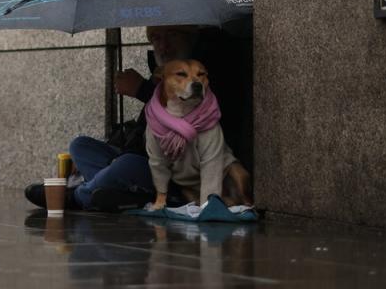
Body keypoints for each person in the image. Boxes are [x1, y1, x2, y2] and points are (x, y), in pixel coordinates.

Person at [25, 24, 251, 212]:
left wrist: (142, 89)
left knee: (127, 165)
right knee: (81, 146)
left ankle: (77, 197)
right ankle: (112, 193)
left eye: (172, 35)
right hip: (144, 160)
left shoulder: (206, 73)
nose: (163, 45)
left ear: (191, 37)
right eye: (156, 38)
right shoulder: (163, 76)